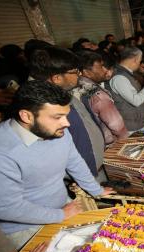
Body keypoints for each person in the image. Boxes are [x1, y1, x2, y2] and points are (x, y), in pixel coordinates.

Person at [0, 81, 114, 250]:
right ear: (27, 116)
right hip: (25, 227)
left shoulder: (57, 131)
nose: (67, 123)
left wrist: (97, 190)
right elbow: (5, 208)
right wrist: (61, 214)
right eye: (57, 117)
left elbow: (75, 162)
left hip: (62, 207)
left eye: (66, 115)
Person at [29, 46, 106, 179]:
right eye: (75, 71)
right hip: (84, 179)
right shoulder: (44, 110)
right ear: (57, 78)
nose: (80, 74)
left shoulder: (63, 93)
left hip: (96, 170)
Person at [73, 51, 128, 145]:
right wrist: (126, 141)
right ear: (87, 72)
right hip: (108, 144)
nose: (105, 70)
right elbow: (116, 125)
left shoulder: (73, 87)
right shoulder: (98, 96)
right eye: (101, 66)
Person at [108, 47, 144, 133]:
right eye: (140, 61)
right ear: (135, 60)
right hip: (131, 128)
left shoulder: (128, 74)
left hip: (139, 124)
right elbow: (136, 101)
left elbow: (141, 96)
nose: (139, 63)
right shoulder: (119, 77)